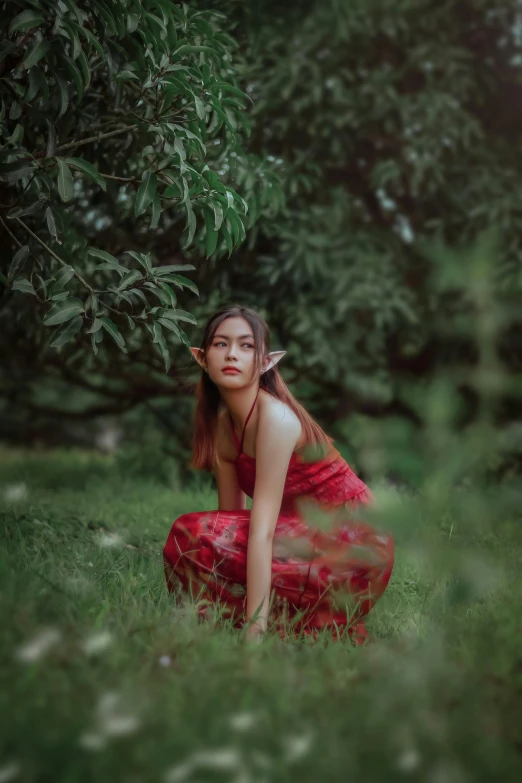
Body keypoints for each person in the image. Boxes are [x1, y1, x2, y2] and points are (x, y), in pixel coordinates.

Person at [163, 305, 394, 644]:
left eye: (246, 346)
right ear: (202, 358)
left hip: (354, 539)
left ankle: (261, 627)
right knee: (193, 536)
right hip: (302, 534)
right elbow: (228, 528)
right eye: (220, 344)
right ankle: (228, 624)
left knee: (195, 529)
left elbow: (262, 534)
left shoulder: (276, 420)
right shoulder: (224, 430)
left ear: (266, 361)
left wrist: (253, 638)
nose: (231, 355)